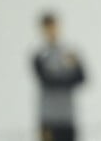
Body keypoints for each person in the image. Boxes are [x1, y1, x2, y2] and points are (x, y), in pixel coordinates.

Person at [33, 11, 86, 141]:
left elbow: (81, 77)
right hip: (49, 118)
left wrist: (67, 74)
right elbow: (46, 81)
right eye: (48, 28)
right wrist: (66, 76)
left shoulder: (69, 52)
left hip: (67, 117)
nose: (52, 31)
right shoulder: (40, 56)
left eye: (54, 27)